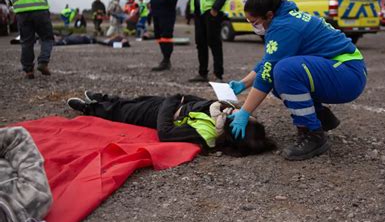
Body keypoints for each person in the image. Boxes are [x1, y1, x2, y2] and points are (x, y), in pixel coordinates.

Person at [227, 0, 367, 161]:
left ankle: (314, 134)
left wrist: (245, 112)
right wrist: (244, 83)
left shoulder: (283, 27)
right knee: (280, 78)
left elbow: (267, 74)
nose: (253, 27)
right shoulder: (284, 18)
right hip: (343, 69)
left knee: (284, 72)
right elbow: (269, 61)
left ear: (269, 15)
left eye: (255, 22)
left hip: (348, 74)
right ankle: (320, 116)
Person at [66, 91, 275, 156]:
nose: (241, 112)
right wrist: (182, 98)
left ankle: (89, 108)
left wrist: (173, 100)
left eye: (243, 118)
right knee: (134, 100)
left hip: (161, 112)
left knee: (122, 112)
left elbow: (165, 133)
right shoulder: (222, 112)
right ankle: (104, 97)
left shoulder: (206, 133)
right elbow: (200, 102)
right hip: (170, 104)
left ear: (233, 128)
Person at [140, 0, 182, 71]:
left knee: (166, 37)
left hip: (167, 14)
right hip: (156, 13)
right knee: (158, 36)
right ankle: (165, 58)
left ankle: (166, 60)